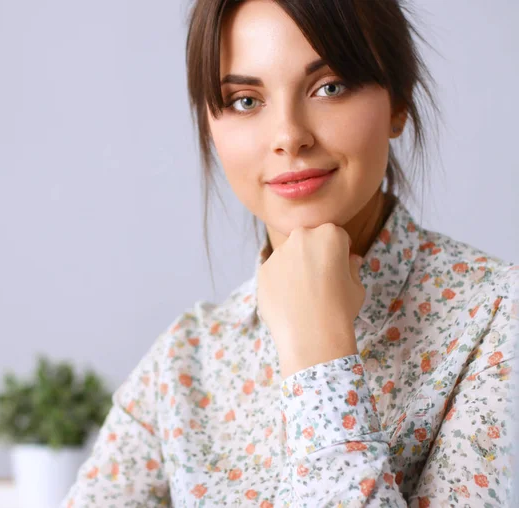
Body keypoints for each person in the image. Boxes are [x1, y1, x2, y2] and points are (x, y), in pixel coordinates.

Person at [62, 0, 518, 506]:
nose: (288, 137)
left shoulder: (500, 320)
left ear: (397, 103)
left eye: (330, 87)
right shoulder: (184, 364)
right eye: (244, 100)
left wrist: (318, 352)